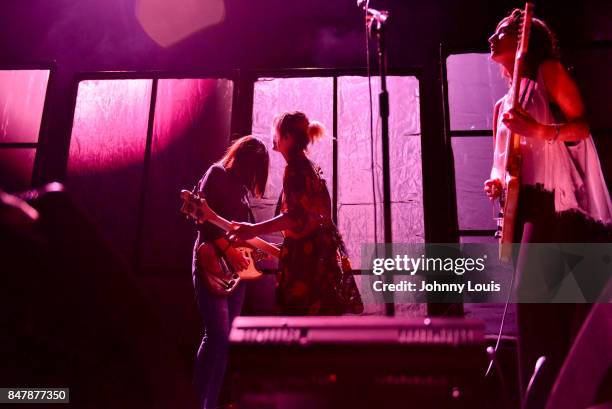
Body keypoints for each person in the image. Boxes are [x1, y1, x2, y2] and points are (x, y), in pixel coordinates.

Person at [483, 9, 612, 408]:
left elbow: (582, 126)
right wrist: (496, 182)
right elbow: (501, 162)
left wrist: (539, 131)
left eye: (502, 30)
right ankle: (539, 398)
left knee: (552, 314)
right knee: (534, 314)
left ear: (524, 39)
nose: (492, 36)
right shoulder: (504, 102)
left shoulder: (548, 73)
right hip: (528, 210)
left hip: (559, 209)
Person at [229, 111, 363, 316]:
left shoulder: (295, 169)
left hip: (306, 260)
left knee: (299, 324)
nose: (272, 136)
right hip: (319, 255)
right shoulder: (307, 166)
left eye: (276, 131)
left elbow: (295, 218)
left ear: (288, 137)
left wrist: (252, 230)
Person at [191, 135, 269, 409]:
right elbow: (204, 222)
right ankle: (200, 402)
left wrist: (262, 249)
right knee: (217, 337)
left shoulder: (240, 188)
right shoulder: (216, 174)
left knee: (225, 341)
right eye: (254, 167)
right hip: (211, 262)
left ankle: (209, 402)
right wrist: (230, 250)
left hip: (235, 273)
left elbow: (240, 230)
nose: (254, 176)